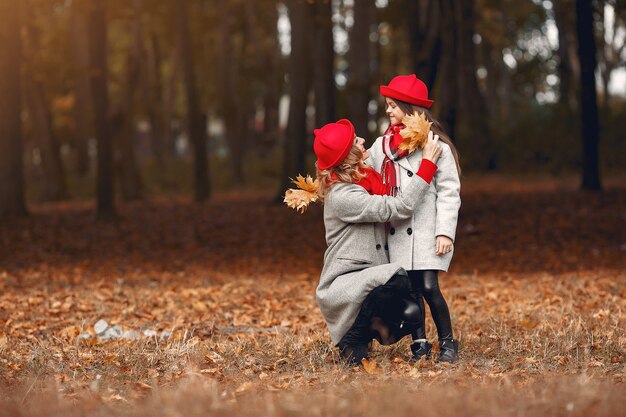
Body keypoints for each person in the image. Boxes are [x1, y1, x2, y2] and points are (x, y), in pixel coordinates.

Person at [306, 118, 443, 364]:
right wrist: (428, 164)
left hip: (367, 276)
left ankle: (366, 334)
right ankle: (354, 336)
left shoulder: (362, 178)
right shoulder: (344, 196)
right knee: (396, 278)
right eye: (356, 141)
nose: (362, 140)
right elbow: (401, 206)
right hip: (345, 282)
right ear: (348, 157)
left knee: (409, 310)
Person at [367, 74, 462, 363]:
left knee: (430, 287)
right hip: (395, 231)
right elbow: (362, 170)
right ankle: (419, 344)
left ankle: (448, 343)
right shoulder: (382, 146)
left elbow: (449, 192)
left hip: (425, 231)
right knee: (409, 292)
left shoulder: (436, 147)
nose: (388, 111)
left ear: (411, 109)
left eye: (393, 105)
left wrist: (444, 232)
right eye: (386, 105)